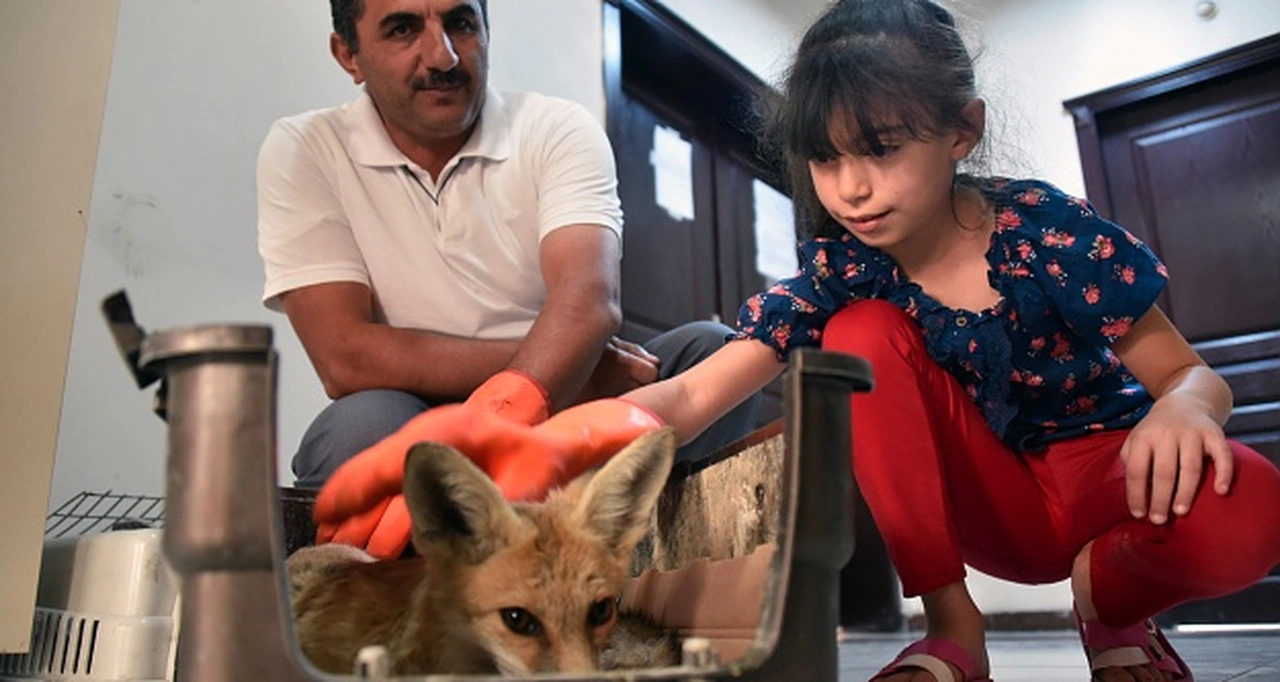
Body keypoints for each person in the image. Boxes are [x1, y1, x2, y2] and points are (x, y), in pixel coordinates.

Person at [312, 1, 1280, 679]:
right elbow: (693, 394)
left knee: (1256, 506)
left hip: (1108, 476)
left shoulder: (1049, 232)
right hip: (994, 503)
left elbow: (1185, 373)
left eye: (880, 149)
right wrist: (547, 438)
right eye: (823, 159)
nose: (850, 188)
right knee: (857, 335)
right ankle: (949, 631)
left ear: (959, 132)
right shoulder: (842, 274)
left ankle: (1111, 607)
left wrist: (1181, 408)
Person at [256, 0, 759, 497]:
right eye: (403, 29)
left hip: (560, 393)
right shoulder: (305, 149)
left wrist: (541, 388)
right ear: (348, 54)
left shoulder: (555, 128)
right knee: (359, 429)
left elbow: (587, 301)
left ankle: (666, 574)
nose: (443, 56)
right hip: (440, 405)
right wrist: (555, 376)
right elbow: (345, 356)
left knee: (714, 356)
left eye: (460, 22)